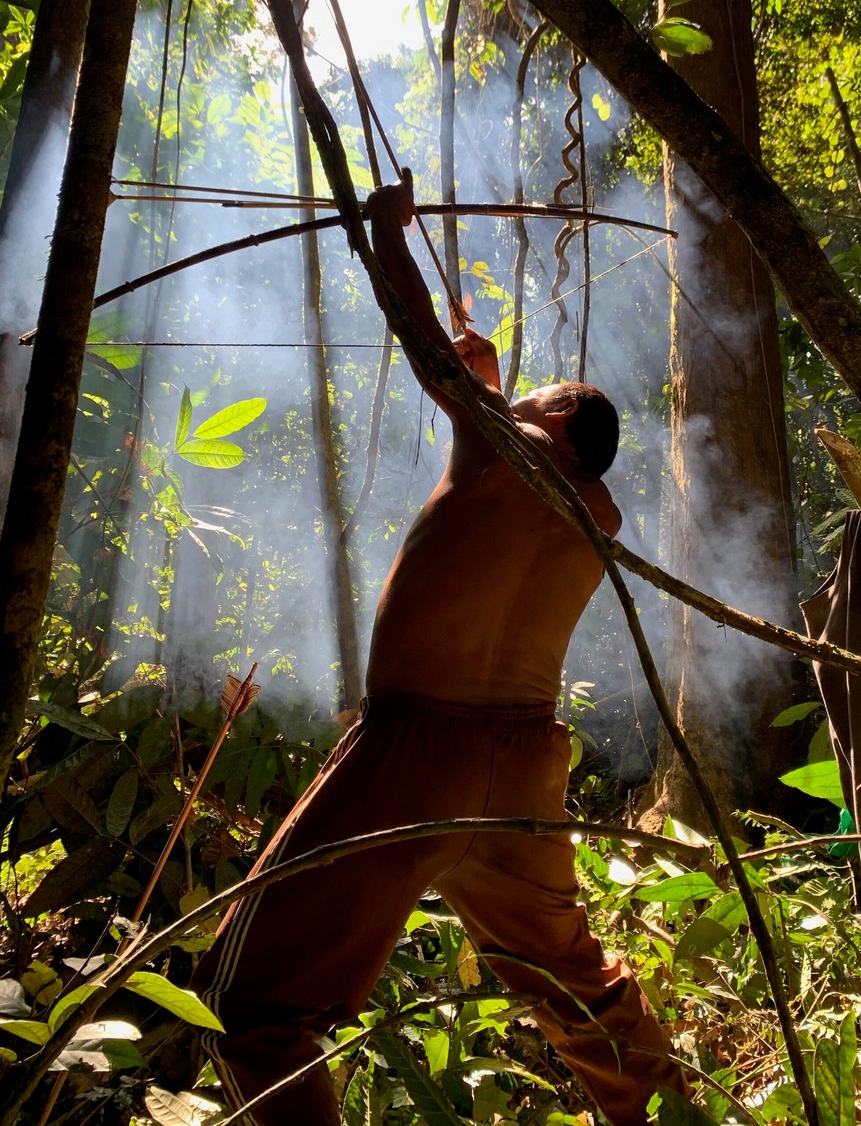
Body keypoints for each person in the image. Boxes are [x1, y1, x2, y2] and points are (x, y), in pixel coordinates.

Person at [195, 170, 688, 1125]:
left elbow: (427, 351)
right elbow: (488, 462)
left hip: (418, 754)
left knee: (250, 1002)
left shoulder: (519, 447)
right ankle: (665, 1115)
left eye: (532, 397)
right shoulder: (593, 512)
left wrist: (385, 231)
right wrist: (494, 395)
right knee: (576, 986)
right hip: (524, 769)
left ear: (555, 418)